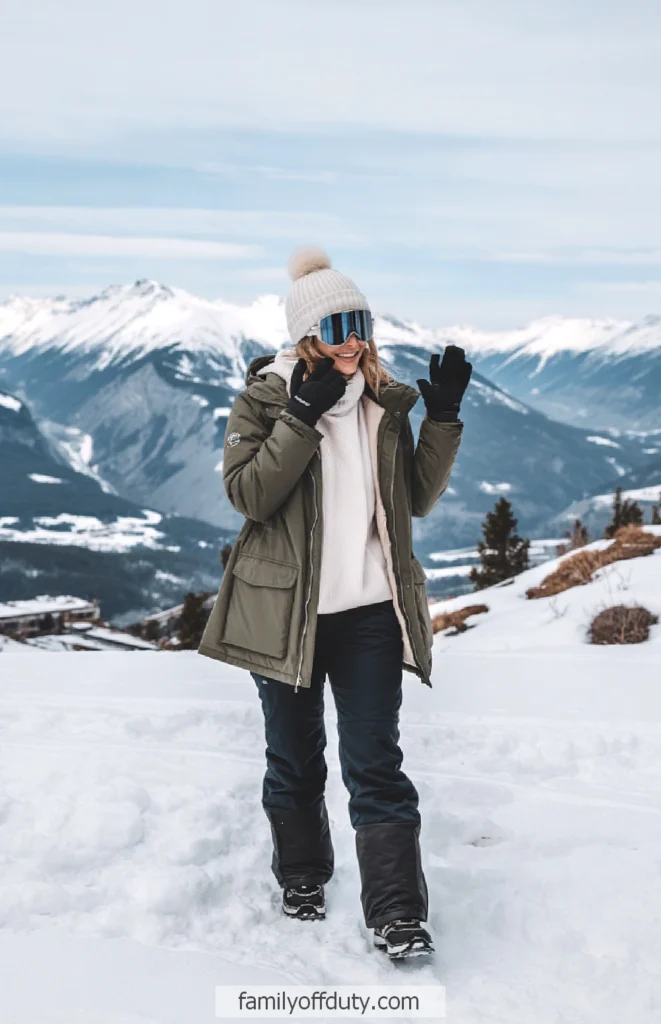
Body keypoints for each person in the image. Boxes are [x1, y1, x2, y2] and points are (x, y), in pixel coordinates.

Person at [198, 246, 471, 959]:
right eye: (339, 327)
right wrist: (300, 416)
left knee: (375, 765)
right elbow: (249, 495)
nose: (355, 341)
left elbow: (413, 498)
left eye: (362, 324)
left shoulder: (383, 402)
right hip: (284, 616)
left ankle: (397, 914)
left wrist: (441, 418)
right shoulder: (265, 398)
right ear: (307, 335)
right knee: (294, 759)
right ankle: (302, 877)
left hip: (371, 614)